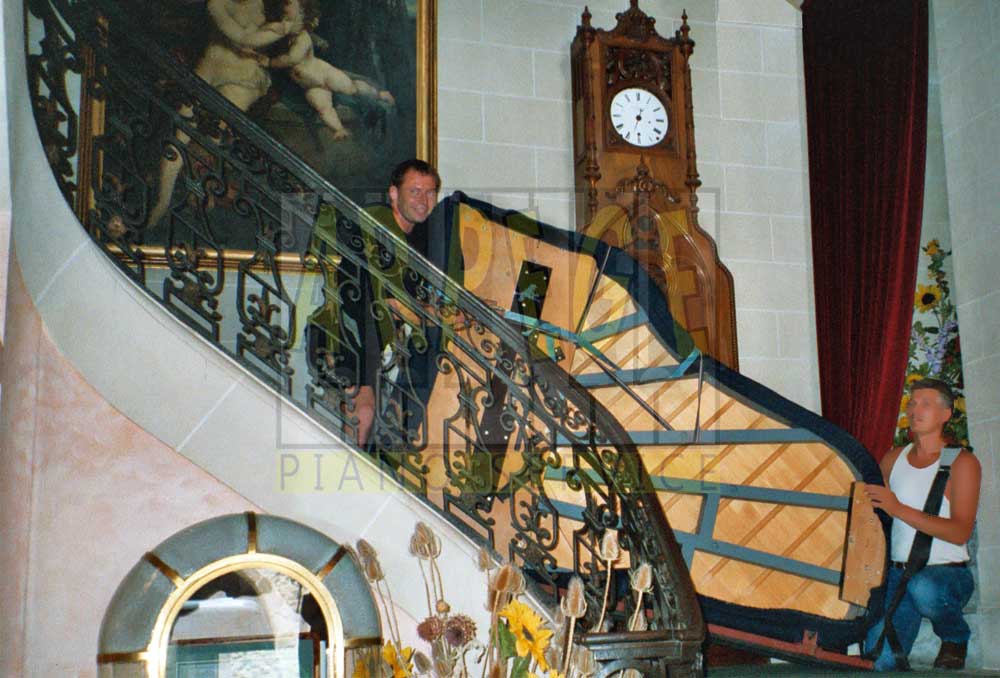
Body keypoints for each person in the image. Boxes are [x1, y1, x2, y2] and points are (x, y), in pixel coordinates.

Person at [307, 159, 464, 447]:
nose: (424, 200)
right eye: (415, 191)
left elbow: (420, 299)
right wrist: (427, 313)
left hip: (373, 345)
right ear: (394, 193)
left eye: (430, 193)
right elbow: (387, 299)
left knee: (375, 417)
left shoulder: (415, 243)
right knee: (364, 411)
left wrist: (449, 310)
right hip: (346, 334)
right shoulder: (376, 227)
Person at [863, 378, 980, 671]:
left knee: (924, 587)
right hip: (898, 576)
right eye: (912, 403)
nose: (915, 410)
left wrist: (898, 508)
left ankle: (955, 636)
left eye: (925, 403)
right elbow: (873, 516)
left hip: (946, 577)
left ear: (946, 414)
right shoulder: (892, 459)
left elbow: (960, 531)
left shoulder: (962, 463)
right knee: (879, 661)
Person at [149, 0, 300, 226]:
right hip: (208, 73)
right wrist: (283, 29)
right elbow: (242, 38)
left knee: (214, 137)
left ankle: (197, 191)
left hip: (244, 78)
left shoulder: (263, 3)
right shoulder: (216, 3)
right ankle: (161, 203)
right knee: (179, 136)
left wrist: (291, 28)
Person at [268, 0, 394, 140]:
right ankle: (339, 129)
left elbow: (292, 58)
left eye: (290, 20)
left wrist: (270, 62)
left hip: (325, 74)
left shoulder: (302, 38)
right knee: (323, 108)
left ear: (303, 19)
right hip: (310, 86)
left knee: (352, 88)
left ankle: (379, 94)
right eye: (284, 20)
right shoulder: (284, 39)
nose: (285, 25)